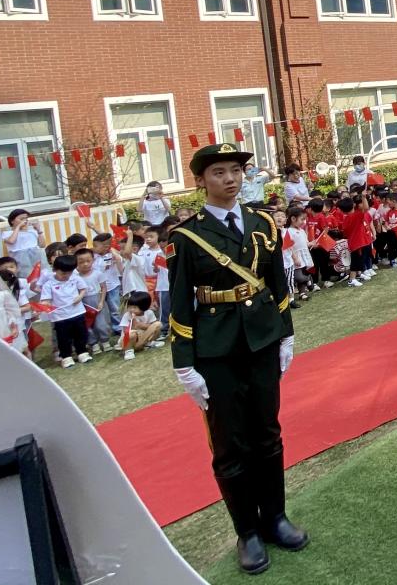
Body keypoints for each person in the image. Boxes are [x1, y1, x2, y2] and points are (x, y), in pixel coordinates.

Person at [167, 143, 306, 575]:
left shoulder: (262, 222)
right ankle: (247, 532)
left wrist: (285, 333)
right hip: (217, 349)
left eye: (235, 171)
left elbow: (277, 283)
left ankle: (276, 518)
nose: (230, 179)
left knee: (267, 433)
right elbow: (180, 304)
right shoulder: (185, 237)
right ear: (201, 181)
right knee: (230, 444)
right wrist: (184, 363)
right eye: (219, 172)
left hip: (262, 340)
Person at [40, 254, 90, 367]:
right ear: (55, 270)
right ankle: (66, 357)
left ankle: (82, 352)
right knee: (63, 338)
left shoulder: (75, 278)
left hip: (77, 312)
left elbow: (83, 289)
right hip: (60, 316)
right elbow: (46, 300)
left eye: (69, 273)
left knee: (81, 334)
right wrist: (44, 305)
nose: (66, 276)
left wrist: (79, 297)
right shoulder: (49, 284)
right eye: (63, 273)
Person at [118, 290, 162, 359]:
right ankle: (128, 350)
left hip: (143, 338)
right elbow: (125, 332)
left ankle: (148, 343)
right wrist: (133, 325)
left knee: (158, 324)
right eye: (130, 307)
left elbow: (152, 327)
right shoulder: (127, 315)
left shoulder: (149, 313)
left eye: (134, 307)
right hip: (128, 341)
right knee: (132, 334)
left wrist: (139, 325)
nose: (131, 309)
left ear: (144, 307)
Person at [0, 209, 44, 276]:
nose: (25, 221)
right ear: (12, 221)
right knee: (25, 277)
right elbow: (11, 241)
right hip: (21, 262)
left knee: (42, 276)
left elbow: (42, 245)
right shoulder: (7, 233)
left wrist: (39, 230)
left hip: (37, 259)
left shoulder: (32, 232)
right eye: (21, 219)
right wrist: (18, 227)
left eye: (26, 219)